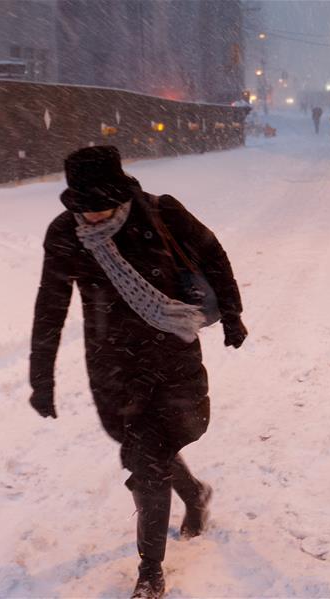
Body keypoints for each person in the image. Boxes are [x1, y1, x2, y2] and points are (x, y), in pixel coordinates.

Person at [29, 146, 247, 599]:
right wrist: (42, 377)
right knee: (149, 454)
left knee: (150, 461)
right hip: (113, 366)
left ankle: (151, 570)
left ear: (121, 193)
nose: (92, 218)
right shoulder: (66, 233)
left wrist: (232, 313)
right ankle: (195, 494)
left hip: (170, 357)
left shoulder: (158, 214)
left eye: (101, 208)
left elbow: (213, 256)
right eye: (83, 209)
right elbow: (50, 305)